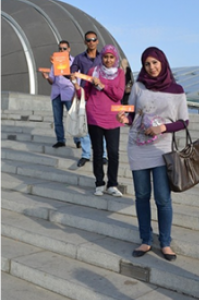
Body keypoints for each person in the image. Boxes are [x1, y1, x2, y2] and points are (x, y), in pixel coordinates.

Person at [117, 47, 189, 261]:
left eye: (155, 63)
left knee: (162, 198)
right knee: (141, 196)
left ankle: (165, 243)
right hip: (138, 147)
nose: (152, 67)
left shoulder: (176, 90)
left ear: (163, 62)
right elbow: (132, 115)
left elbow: (184, 121)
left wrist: (162, 128)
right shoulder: (139, 87)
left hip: (162, 150)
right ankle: (146, 240)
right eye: (147, 64)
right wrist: (124, 119)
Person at [72, 44, 125, 197]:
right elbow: (85, 95)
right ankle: (99, 183)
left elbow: (119, 95)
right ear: (102, 58)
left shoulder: (120, 73)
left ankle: (113, 184)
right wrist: (75, 84)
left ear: (115, 58)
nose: (108, 60)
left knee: (113, 153)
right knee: (98, 152)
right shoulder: (92, 71)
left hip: (113, 117)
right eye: (106, 57)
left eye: (111, 57)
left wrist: (102, 86)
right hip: (94, 116)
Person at [70, 30, 107, 167]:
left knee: (101, 124)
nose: (91, 42)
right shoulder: (79, 58)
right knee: (84, 124)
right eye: (88, 40)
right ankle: (86, 154)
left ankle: (103, 155)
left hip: (100, 94)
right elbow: (72, 70)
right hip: (86, 94)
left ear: (97, 41)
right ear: (85, 42)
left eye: (93, 39)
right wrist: (72, 76)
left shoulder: (103, 57)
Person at [42, 40, 80, 148]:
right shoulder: (55, 63)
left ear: (69, 49)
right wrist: (47, 78)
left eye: (64, 48)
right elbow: (52, 80)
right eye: (60, 48)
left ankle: (78, 140)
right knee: (57, 119)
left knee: (73, 118)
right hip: (56, 94)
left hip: (69, 93)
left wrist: (76, 93)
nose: (62, 50)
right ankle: (60, 140)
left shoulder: (74, 62)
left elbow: (78, 79)